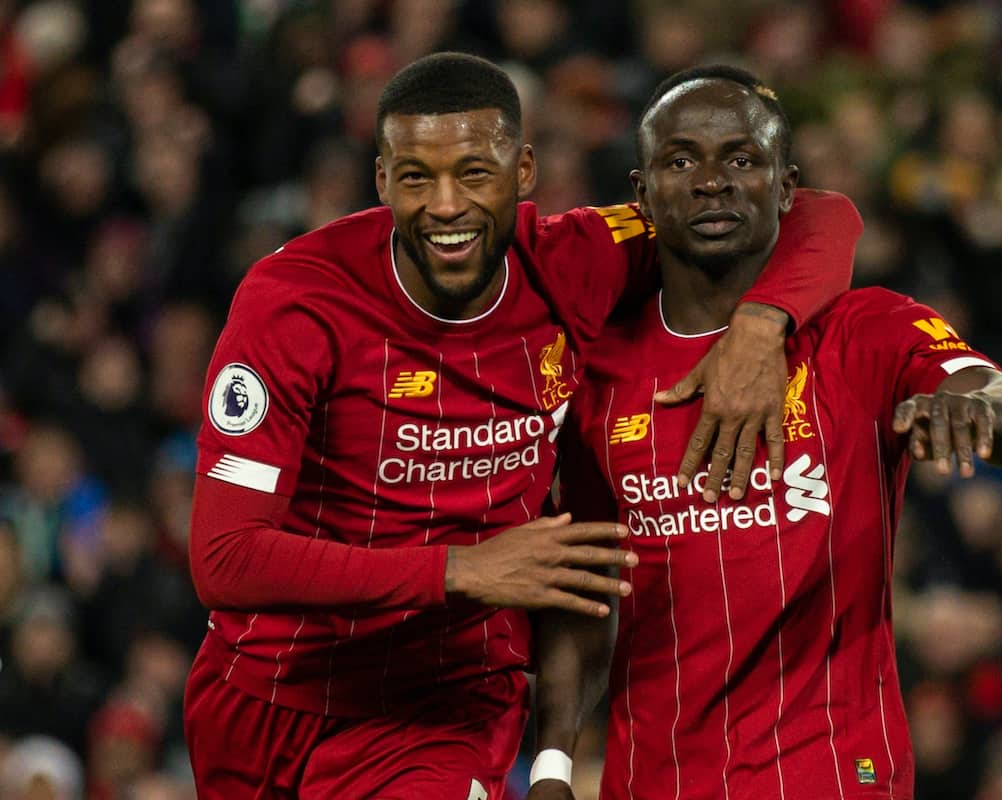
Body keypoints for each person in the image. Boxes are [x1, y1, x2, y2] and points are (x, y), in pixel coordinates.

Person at [182, 53, 857, 799]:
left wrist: (762, 327)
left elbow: (820, 213)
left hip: (444, 708)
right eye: (415, 178)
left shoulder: (576, 261)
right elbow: (225, 559)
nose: (445, 207)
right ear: (381, 181)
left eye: (474, 173)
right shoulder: (297, 302)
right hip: (263, 692)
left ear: (523, 170)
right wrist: (461, 569)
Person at [533, 66, 1002, 800]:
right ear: (642, 193)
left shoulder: (865, 330)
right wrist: (553, 766)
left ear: (786, 187)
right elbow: (586, 591)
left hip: (832, 772)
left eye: (741, 158)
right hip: (652, 780)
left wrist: (981, 410)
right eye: (681, 160)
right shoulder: (600, 369)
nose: (712, 181)